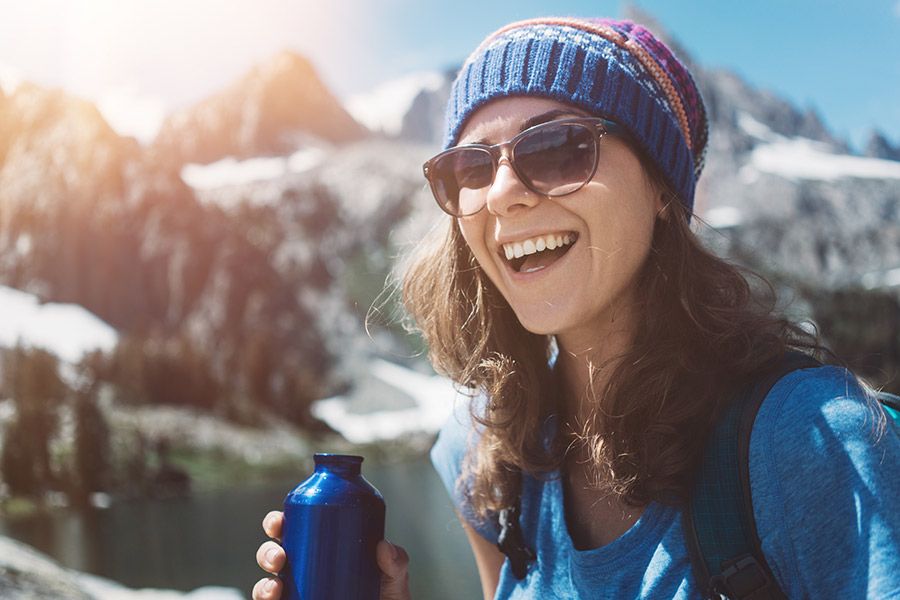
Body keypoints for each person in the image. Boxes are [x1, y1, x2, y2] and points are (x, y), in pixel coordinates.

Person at [252, 16, 900, 600]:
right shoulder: (483, 454)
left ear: (661, 191)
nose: (503, 194)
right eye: (471, 168)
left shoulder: (810, 442)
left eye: (559, 147)